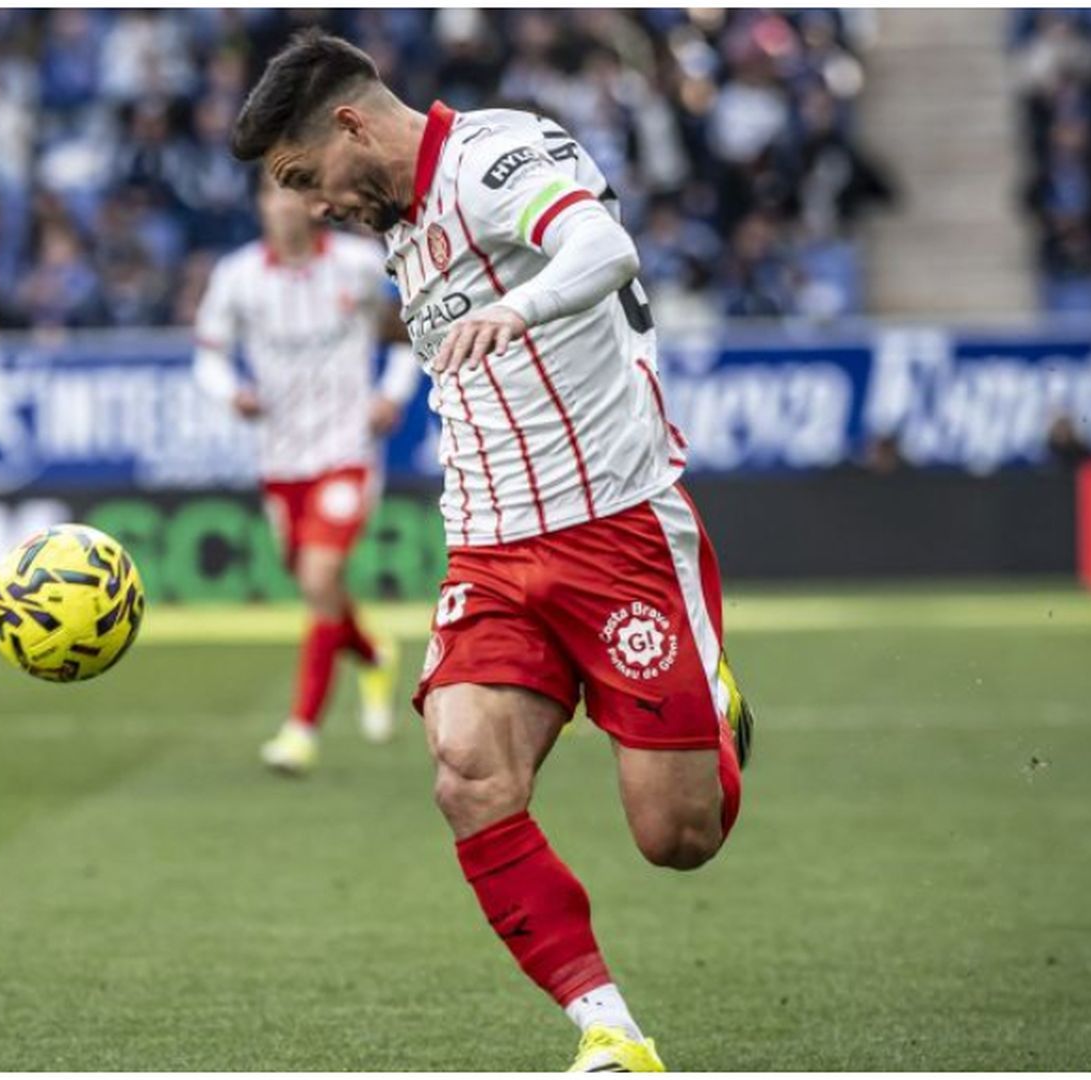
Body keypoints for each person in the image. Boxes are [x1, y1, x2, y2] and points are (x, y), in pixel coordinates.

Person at [230, 31, 754, 1072]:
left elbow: (604, 248)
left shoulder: (492, 155)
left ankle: (715, 698)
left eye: (305, 178)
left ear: (349, 124)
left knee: (677, 838)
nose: (314, 206)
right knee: (467, 774)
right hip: (489, 548)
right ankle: (610, 1031)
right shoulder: (396, 224)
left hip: (617, 529)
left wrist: (521, 305)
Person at [193, 170, 422, 775]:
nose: (285, 205)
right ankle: (372, 653)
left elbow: (406, 332)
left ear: (314, 203)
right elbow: (208, 356)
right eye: (273, 193)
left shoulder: (357, 265)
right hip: (281, 456)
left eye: (294, 192)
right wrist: (231, 392)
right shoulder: (238, 277)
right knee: (315, 583)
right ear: (260, 204)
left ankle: (301, 729)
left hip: (347, 449)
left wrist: (392, 393)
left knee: (320, 575)